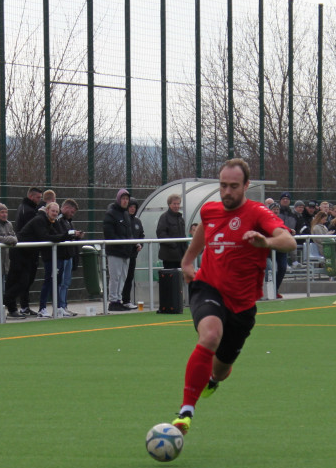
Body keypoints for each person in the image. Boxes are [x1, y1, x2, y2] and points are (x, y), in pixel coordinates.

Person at [170, 159, 296, 435]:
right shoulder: (210, 210)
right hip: (208, 288)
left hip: (242, 305)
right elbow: (203, 232)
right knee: (210, 335)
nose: (226, 192)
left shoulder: (258, 213)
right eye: (223, 185)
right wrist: (188, 261)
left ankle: (213, 379)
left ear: (246, 186)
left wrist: (267, 242)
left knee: (221, 370)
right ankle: (185, 413)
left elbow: (289, 241)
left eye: (233, 187)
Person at [18, 201, 70, 317]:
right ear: (47, 211)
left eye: (57, 211)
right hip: (27, 253)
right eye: (53, 211)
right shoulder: (40, 220)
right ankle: (42, 308)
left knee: (55, 281)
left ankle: (57, 307)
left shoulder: (51, 222)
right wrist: (64, 236)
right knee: (48, 281)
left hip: (38, 253)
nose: (55, 213)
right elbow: (45, 237)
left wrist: (69, 236)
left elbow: (55, 235)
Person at [7, 187, 44, 316]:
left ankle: (24, 306)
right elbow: (34, 230)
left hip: (28, 251)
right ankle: (7, 302)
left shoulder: (31, 209)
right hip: (23, 252)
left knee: (26, 281)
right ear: (31, 196)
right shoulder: (27, 210)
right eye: (38, 197)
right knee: (21, 281)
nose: (40, 200)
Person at [103, 188, 135, 311]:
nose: (125, 201)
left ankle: (118, 298)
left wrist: (131, 245)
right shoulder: (110, 214)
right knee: (115, 276)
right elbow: (109, 234)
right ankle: (113, 300)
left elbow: (129, 232)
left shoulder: (126, 214)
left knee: (123, 276)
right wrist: (122, 244)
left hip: (126, 252)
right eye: (123, 199)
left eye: (127, 199)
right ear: (118, 199)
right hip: (115, 251)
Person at [56, 199, 84, 317]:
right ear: (66, 208)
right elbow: (61, 235)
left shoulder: (68, 221)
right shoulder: (58, 220)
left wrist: (77, 237)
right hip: (61, 256)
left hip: (69, 256)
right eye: (71, 212)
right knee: (60, 282)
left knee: (66, 282)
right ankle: (59, 307)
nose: (72, 214)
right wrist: (72, 234)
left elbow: (69, 236)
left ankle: (64, 306)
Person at [121, 199, 146, 306]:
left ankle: (126, 300)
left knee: (130, 276)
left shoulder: (137, 221)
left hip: (133, 254)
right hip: (123, 254)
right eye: (130, 206)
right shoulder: (122, 220)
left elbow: (142, 235)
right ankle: (117, 299)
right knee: (121, 277)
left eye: (134, 207)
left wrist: (140, 244)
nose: (132, 209)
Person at [156, 193, 187, 271]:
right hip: (169, 256)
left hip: (181, 255)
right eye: (174, 204)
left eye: (178, 204)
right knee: (171, 280)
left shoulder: (180, 219)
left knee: (180, 279)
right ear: (169, 204)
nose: (176, 206)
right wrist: (174, 244)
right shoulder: (164, 217)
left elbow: (183, 236)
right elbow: (161, 234)